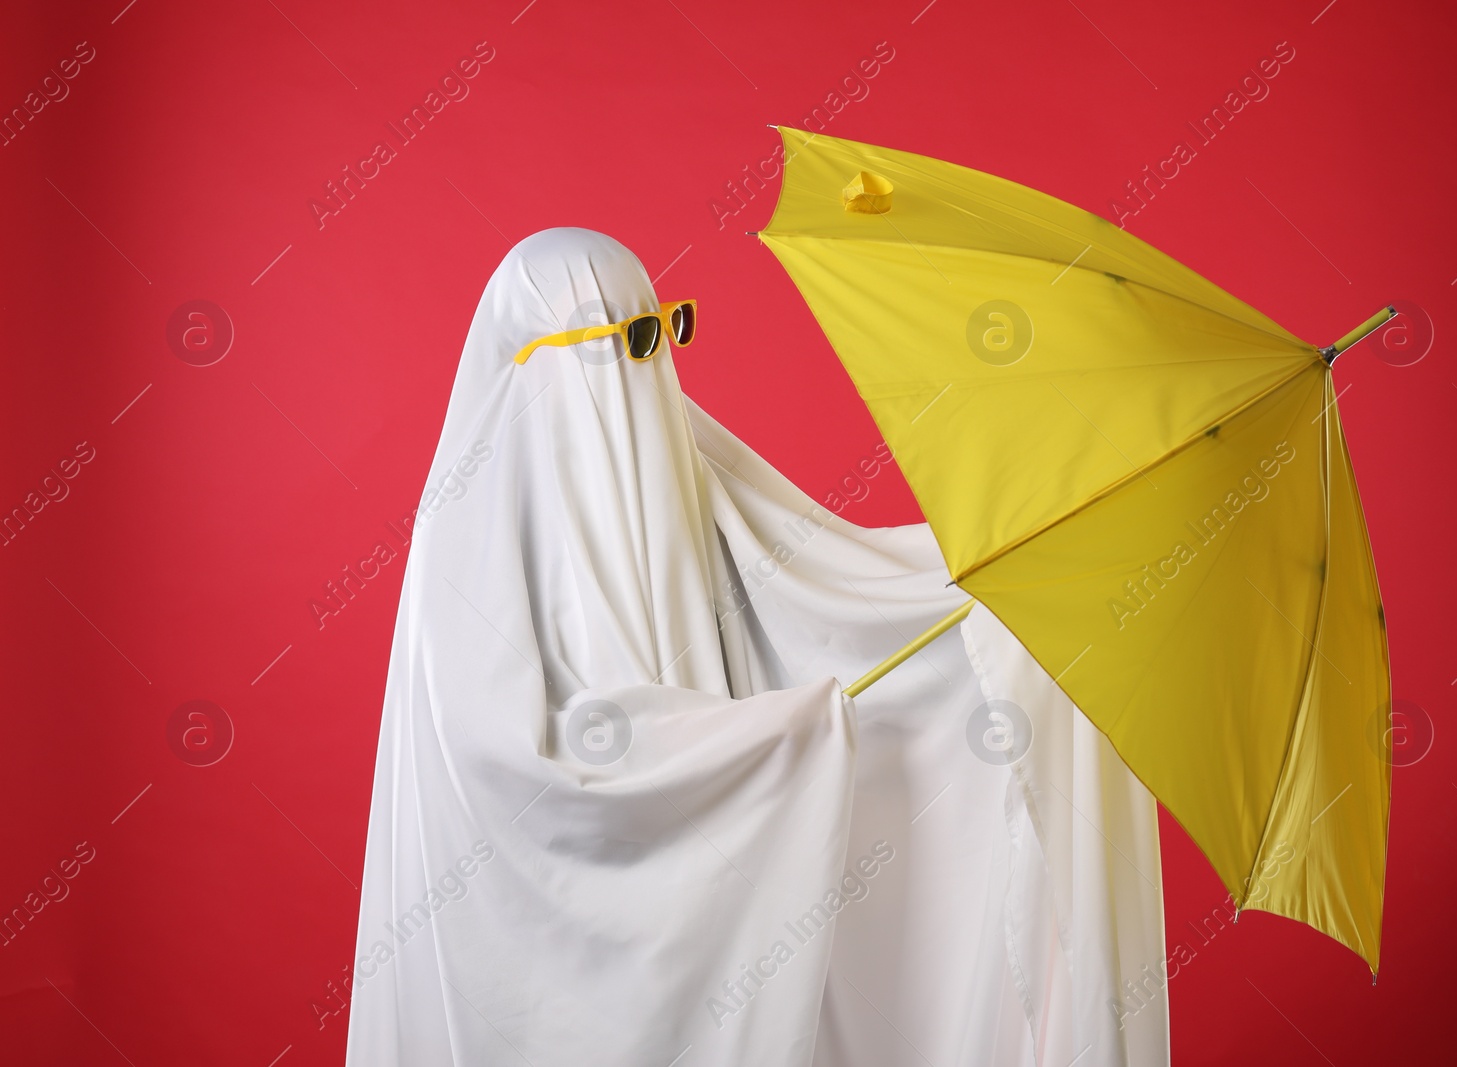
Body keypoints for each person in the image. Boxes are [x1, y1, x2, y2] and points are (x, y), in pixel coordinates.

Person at [346, 228, 1168, 1066]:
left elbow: (838, 586)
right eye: (628, 342)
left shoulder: (689, 462)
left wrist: (1014, 580)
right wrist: (781, 739)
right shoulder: (466, 538)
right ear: (539, 359)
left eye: (666, 330)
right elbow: (513, 776)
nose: (653, 367)